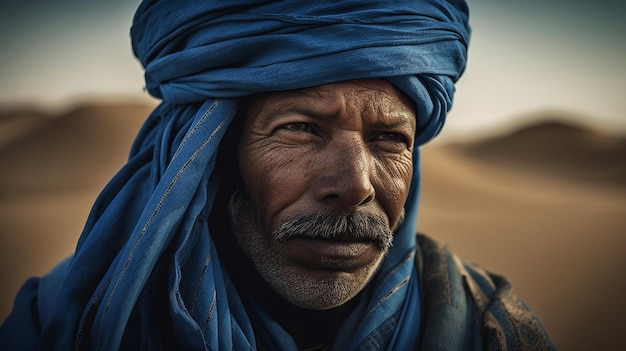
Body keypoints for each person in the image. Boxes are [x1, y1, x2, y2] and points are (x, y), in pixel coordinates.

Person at [0, 1, 556, 350]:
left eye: (390, 139)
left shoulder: (487, 328)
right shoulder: (57, 324)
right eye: (301, 129)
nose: (357, 185)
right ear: (212, 155)